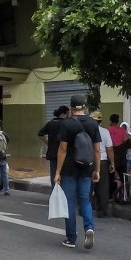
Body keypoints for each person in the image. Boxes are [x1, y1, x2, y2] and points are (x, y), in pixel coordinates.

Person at [55, 94, 101, 250]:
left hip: (69, 169)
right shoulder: (93, 124)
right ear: (84, 107)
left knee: (69, 202)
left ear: (71, 108)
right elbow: (97, 149)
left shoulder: (67, 123)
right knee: (85, 201)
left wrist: (57, 172)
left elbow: (62, 149)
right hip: (86, 168)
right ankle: (89, 228)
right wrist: (97, 169)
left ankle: (71, 238)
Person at [38, 105, 70, 187]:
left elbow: (40, 134)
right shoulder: (66, 123)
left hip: (52, 153)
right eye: (68, 113)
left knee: (54, 175)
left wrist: (48, 143)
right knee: (64, 175)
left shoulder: (50, 123)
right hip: (64, 154)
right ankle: (63, 195)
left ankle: (54, 195)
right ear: (65, 113)